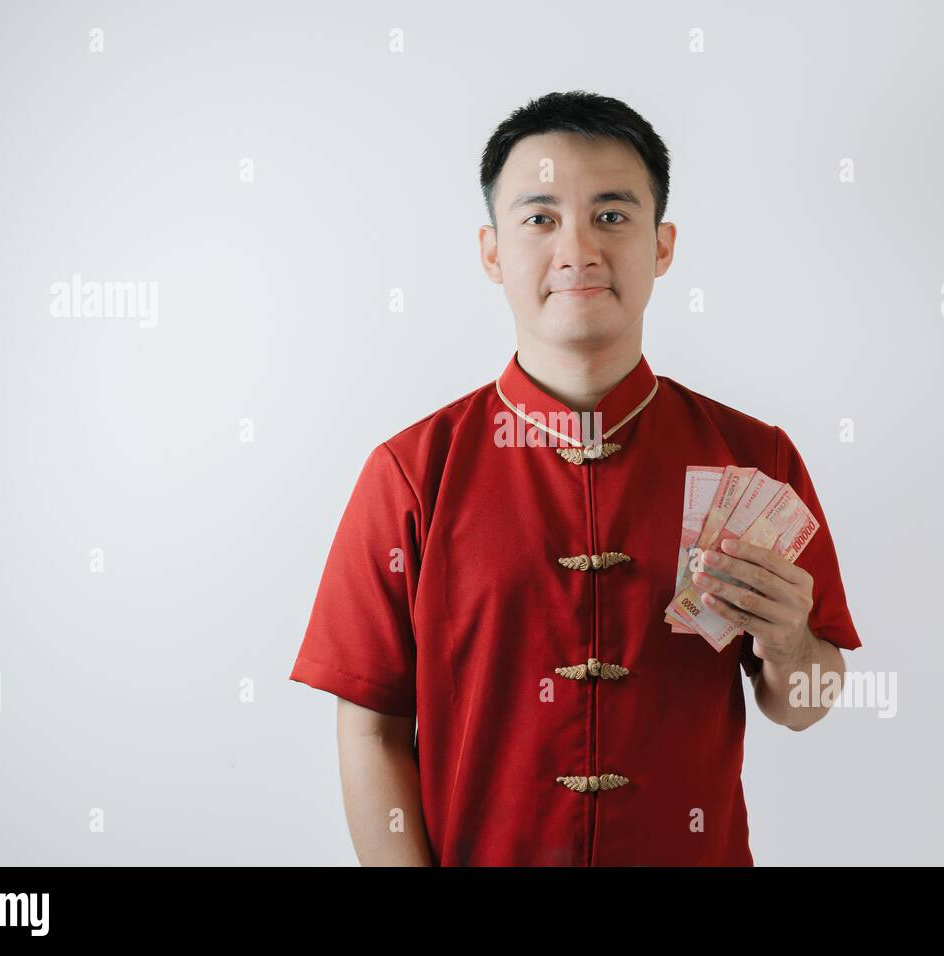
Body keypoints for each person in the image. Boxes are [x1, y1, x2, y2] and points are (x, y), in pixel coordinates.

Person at [289, 90, 861, 866]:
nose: (578, 249)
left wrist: (792, 644)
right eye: (540, 218)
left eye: (613, 216)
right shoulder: (411, 473)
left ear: (663, 247)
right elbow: (369, 728)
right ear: (492, 252)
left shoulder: (754, 457)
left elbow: (806, 708)